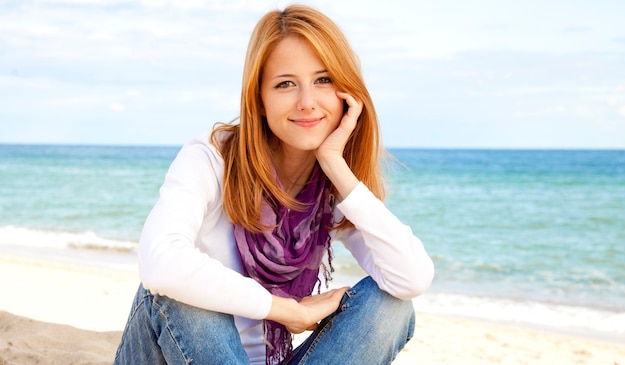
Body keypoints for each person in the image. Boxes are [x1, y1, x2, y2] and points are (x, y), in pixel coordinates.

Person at [113, 4, 434, 365]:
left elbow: (411, 278)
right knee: (178, 290)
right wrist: (287, 311)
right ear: (260, 100)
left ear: (347, 94)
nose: (308, 102)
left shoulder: (327, 190)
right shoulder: (212, 157)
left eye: (323, 80)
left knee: (390, 306)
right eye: (285, 84)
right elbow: (160, 262)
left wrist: (336, 167)